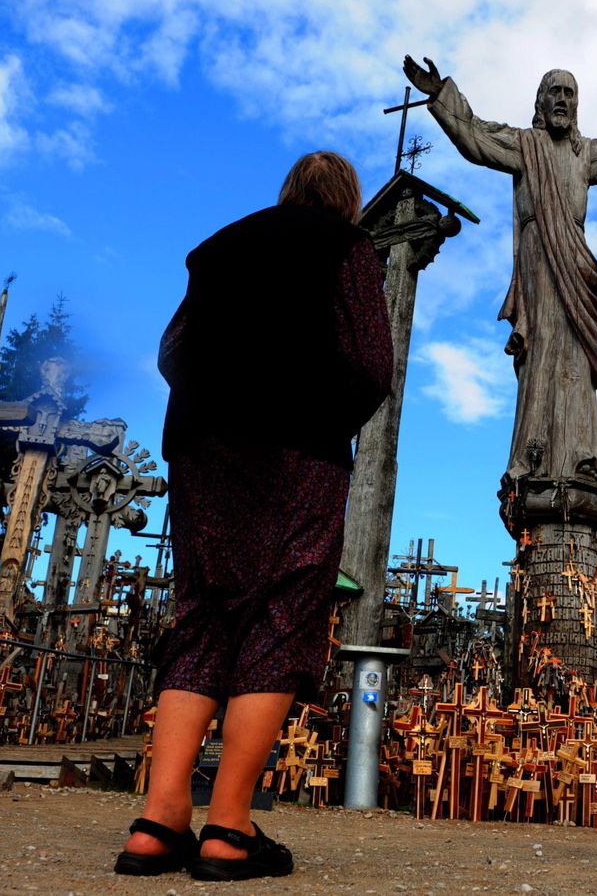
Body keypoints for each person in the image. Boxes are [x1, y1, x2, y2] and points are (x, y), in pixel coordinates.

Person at [115, 151, 392, 882]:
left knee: (202, 611)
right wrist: (315, 410)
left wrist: (221, 399)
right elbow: (371, 363)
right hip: (298, 451)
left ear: (287, 191)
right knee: (281, 610)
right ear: (348, 200)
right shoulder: (348, 246)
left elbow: (172, 349)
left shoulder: (221, 246)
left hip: (204, 448)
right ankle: (229, 826)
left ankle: (158, 816)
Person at [402, 55, 597, 485]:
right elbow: (474, 136)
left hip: (574, 260)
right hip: (539, 258)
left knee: (574, 355)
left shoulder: (585, 153)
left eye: (570, 93)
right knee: (544, 346)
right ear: (540, 100)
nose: (562, 100)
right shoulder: (522, 144)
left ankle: (581, 448)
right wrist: (441, 95)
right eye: (555, 92)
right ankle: (534, 452)